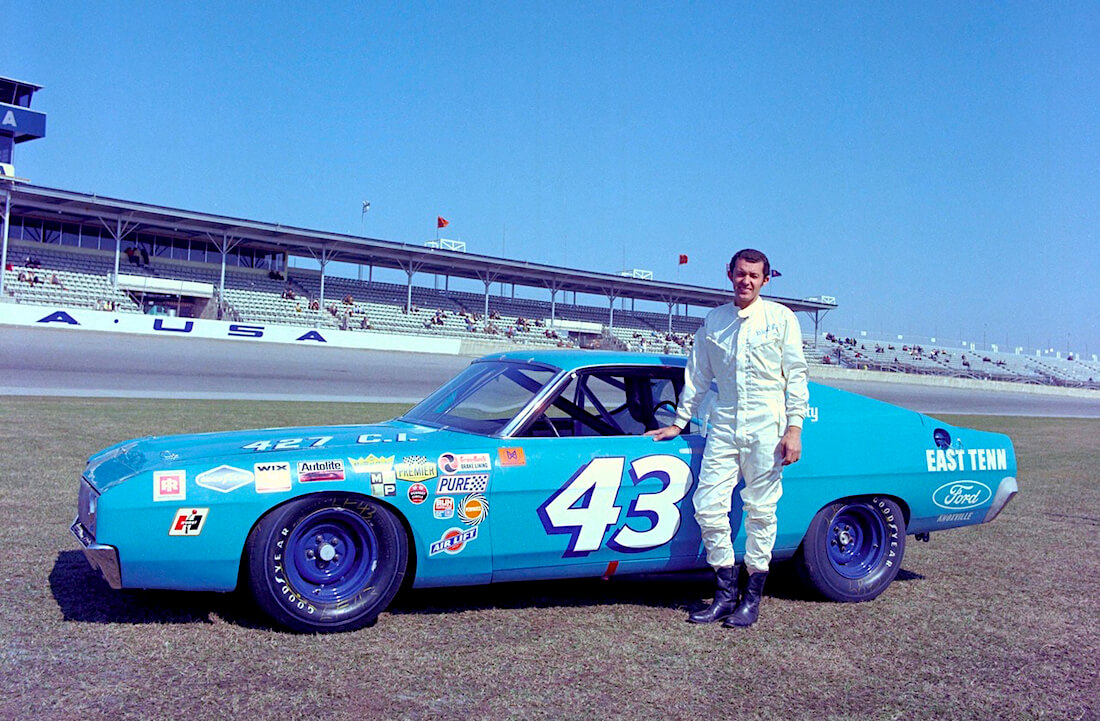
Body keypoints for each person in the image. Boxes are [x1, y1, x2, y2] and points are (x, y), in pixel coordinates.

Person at [646, 248, 808, 628]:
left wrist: (795, 428)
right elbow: (698, 375)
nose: (746, 281)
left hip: (768, 421)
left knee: (761, 512)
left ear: (766, 280)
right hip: (725, 419)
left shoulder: (781, 318)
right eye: (740, 274)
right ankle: (723, 593)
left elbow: (796, 376)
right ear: (729, 274)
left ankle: (750, 600)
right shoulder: (714, 320)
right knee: (707, 505)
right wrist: (680, 420)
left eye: (754, 275)